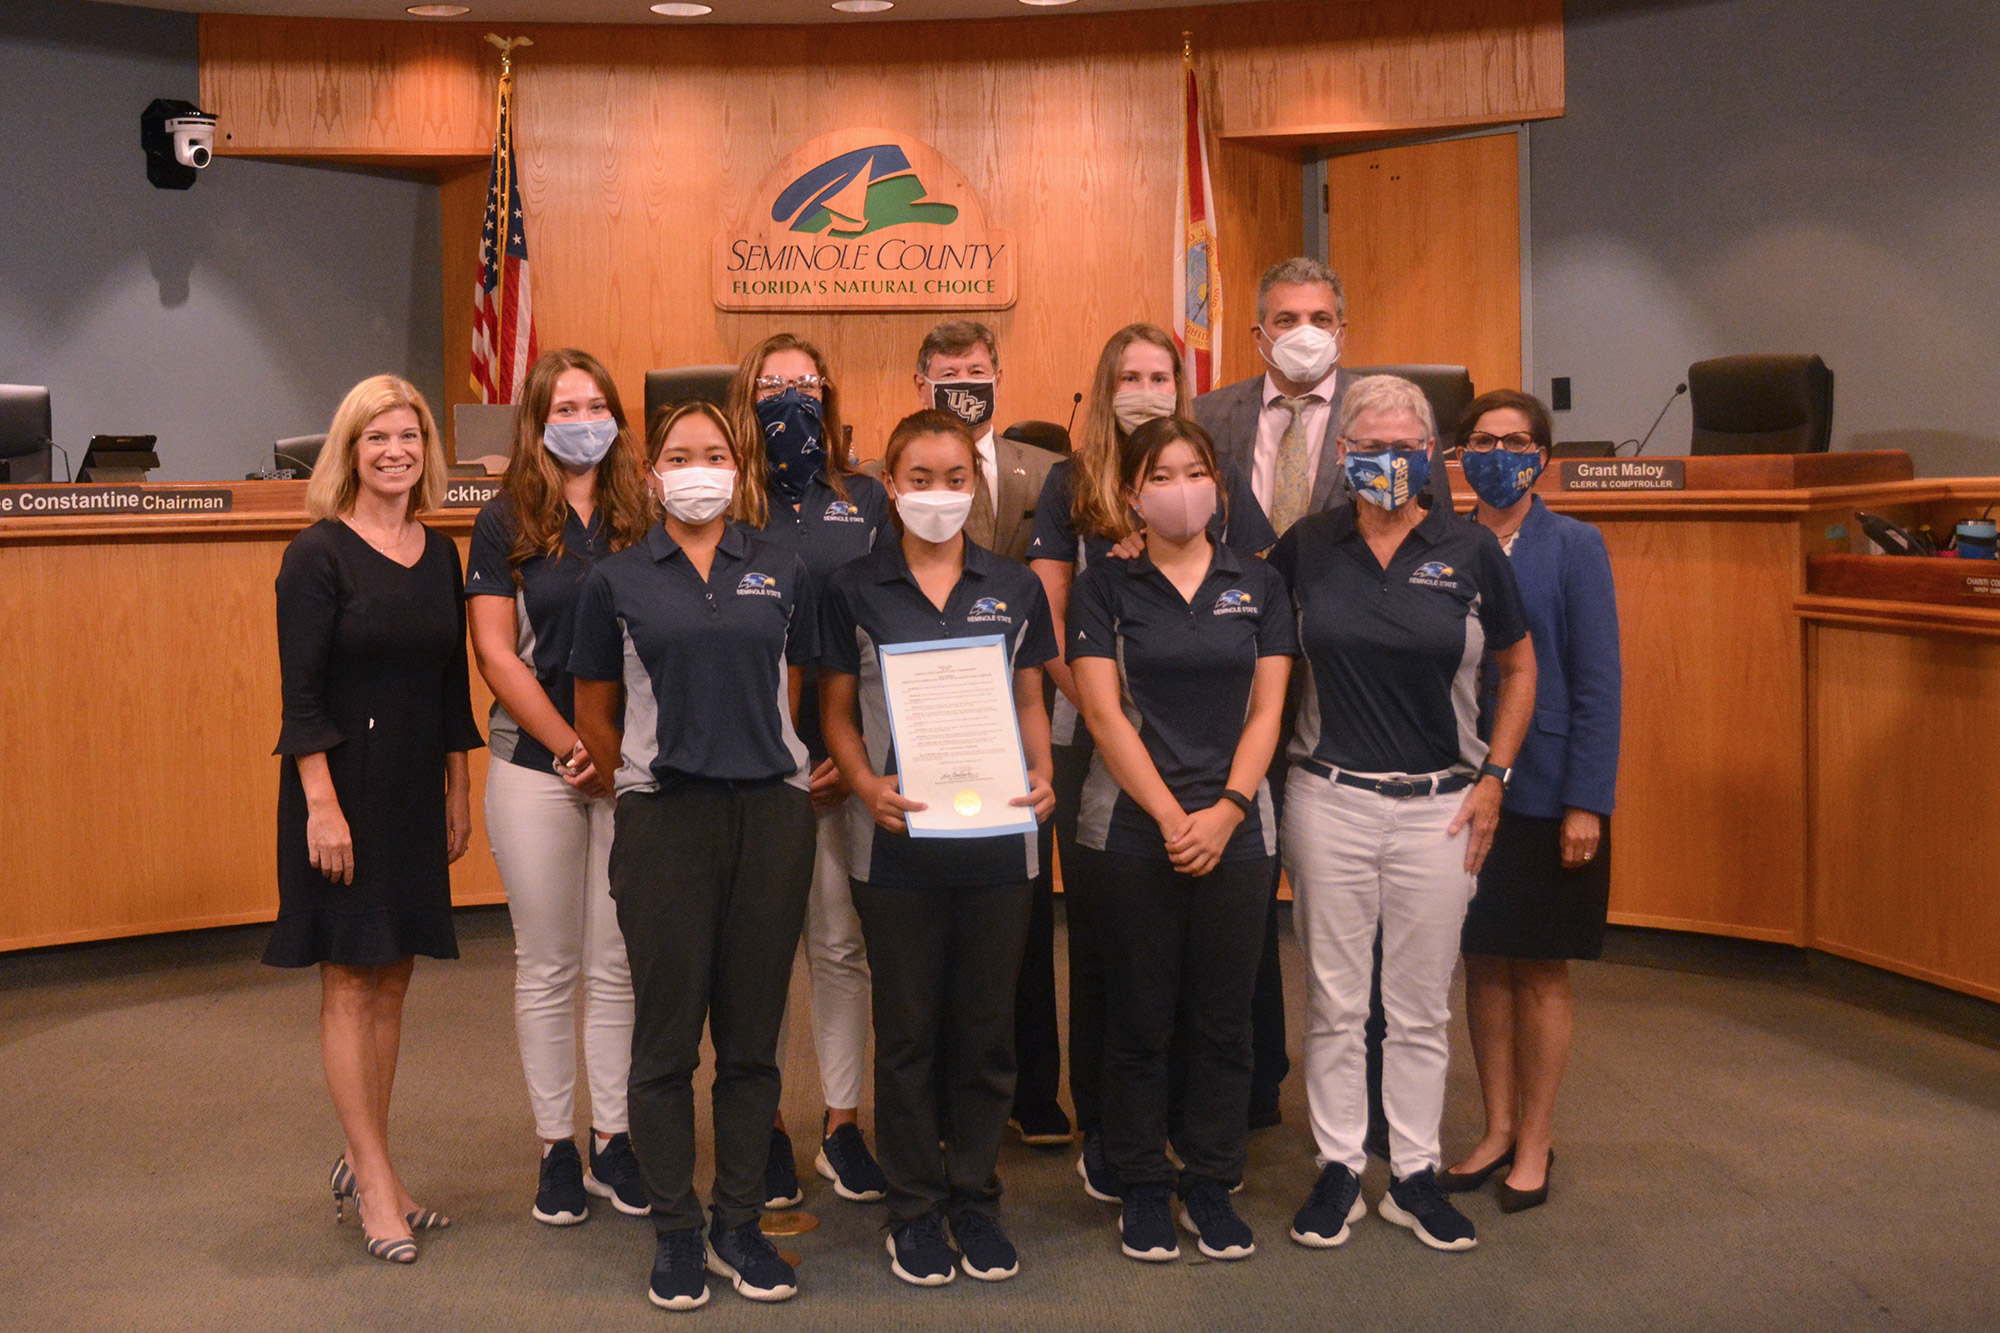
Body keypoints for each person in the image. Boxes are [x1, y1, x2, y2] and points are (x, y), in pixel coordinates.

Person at [1269, 374, 1535, 1255]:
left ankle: (1414, 1170)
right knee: (1337, 1002)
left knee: (1419, 1005)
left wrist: (1495, 773)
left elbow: (1519, 667)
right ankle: (1340, 1165)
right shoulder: (1308, 546)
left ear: (1429, 454)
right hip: (1328, 797)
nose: (1386, 461)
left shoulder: (1470, 548)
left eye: (1403, 446)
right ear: (1342, 455)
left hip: (1441, 809)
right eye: (1367, 446)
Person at [1192, 256, 1455, 1134]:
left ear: (1342, 326)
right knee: (1244, 895)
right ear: (1258, 331)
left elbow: (1436, 537)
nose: (1302, 330)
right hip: (1239, 693)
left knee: (1371, 917)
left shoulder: (1392, 418)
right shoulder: (1211, 415)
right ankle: (1256, 1077)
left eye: (1319, 315)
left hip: (1358, 699)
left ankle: (1383, 1101)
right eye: (1284, 316)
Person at [568, 401, 817, 1310]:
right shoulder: (617, 580)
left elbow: (790, 692)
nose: (698, 467)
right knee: (666, 1040)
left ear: (739, 468)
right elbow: (595, 708)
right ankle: (676, 1231)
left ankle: (738, 1224)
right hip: (665, 821)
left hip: (770, 817)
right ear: (652, 474)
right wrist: (636, 776)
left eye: (715, 454)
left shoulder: (782, 567)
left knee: (753, 1040)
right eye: (681, 455)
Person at [1025, 322, 1274, 1205]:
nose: (1143, 387)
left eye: (1159, 374)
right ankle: (1119, 1142)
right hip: (1099, 731)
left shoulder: (1219, 495)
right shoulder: (1071, 485)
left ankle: (1199, 1144)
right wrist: (1106, 694)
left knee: (1213, 976)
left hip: (1215, 751)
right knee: (1117, 964)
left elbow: (1257, 587)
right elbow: (1052, 616)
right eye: (1126, 375)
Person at [818, 409, 1058, 1287]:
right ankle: (914, 1207)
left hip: (999, 838)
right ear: (892, 485)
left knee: (988, 1029)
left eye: (955, 478)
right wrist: (864, 783)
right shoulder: (853, 586)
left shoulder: (1014, 585)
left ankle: (975, 1196)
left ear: (976, 485)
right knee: (911, 1030)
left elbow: (1031, 699)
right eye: (919, 478)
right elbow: (837, 713)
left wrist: (1041, 773)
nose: (938, 494)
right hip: (898, 842)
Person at [266, 374, 483, 1265]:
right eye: (377, 438)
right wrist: (321, 803)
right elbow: (301, 692)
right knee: (351, 979)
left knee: (393, 977)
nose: (396, 451)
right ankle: (373, 1180)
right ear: (347, 451)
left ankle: (374, 1164)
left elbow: (449, 682)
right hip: (341, 793)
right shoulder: (315, 554)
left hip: (411, 791)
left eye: (410, 436)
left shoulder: (439, 555)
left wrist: (459, 787)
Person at [1068, 416, 1295, 1264]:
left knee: (1224, 1016)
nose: (1179, 487)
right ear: (1132, 494)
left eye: (1194, 471)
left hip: (1237, 826)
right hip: (1134, 828)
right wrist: (1170, 817)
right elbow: (1099, 712)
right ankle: (1141, 1183)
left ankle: (1210, 1177)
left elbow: (1270, 708)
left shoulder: (1259, 584)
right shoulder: (1106, 585)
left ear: (1220, 488)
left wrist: (1229, 808)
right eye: (1159, 474)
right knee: (1139, 1012)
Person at [466, 348, 656, 1226]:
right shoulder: (506, 518)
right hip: (536, 765)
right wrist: (572, 741)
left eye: (596, 403)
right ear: (537, 418)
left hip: (633, 766)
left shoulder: (647, 509)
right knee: (548, 962)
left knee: (616, 961)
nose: (583, 417)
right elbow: (498, 653)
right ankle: (555, 1146)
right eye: (565, 404)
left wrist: (612, 750)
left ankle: (615, 1138)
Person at [1439, 389, 1621, 1213]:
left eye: (1516, 441)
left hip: (1549, 791)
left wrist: (1589, 800)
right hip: (1459, 784)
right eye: (1483, 440)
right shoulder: (1443, 540)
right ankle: (1496, 1124)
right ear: (1460, 453)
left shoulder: (1575, 545)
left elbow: (1596, 681)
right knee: (1483, 961)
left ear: (1543, 456)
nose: (1499, 453)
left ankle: (1538, 1136)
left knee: (1540, 967)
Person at [725, 333, 894, 1209]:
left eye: (805, 382)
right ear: (745, 394)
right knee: (757, 953)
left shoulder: (862, 496)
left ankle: (841, 1123)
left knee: (838, 944)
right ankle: (762, 1126)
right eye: (772, 383)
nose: (790, 396)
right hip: (750, 765)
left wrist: (849, 756)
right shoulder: (725, 496)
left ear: (828, 392)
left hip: (843, 757)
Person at [912, 319, 1067, 1145]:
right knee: (934, 924)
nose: (963, 381)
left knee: (1023, 917)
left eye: (975, 370)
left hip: (1015, 711)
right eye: (946, 373)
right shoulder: (886, 478)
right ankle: (940, 1096)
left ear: (998, 376)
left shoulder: (1046, 471)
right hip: (926, 723)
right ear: (921, 385)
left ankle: (1033, 1092)